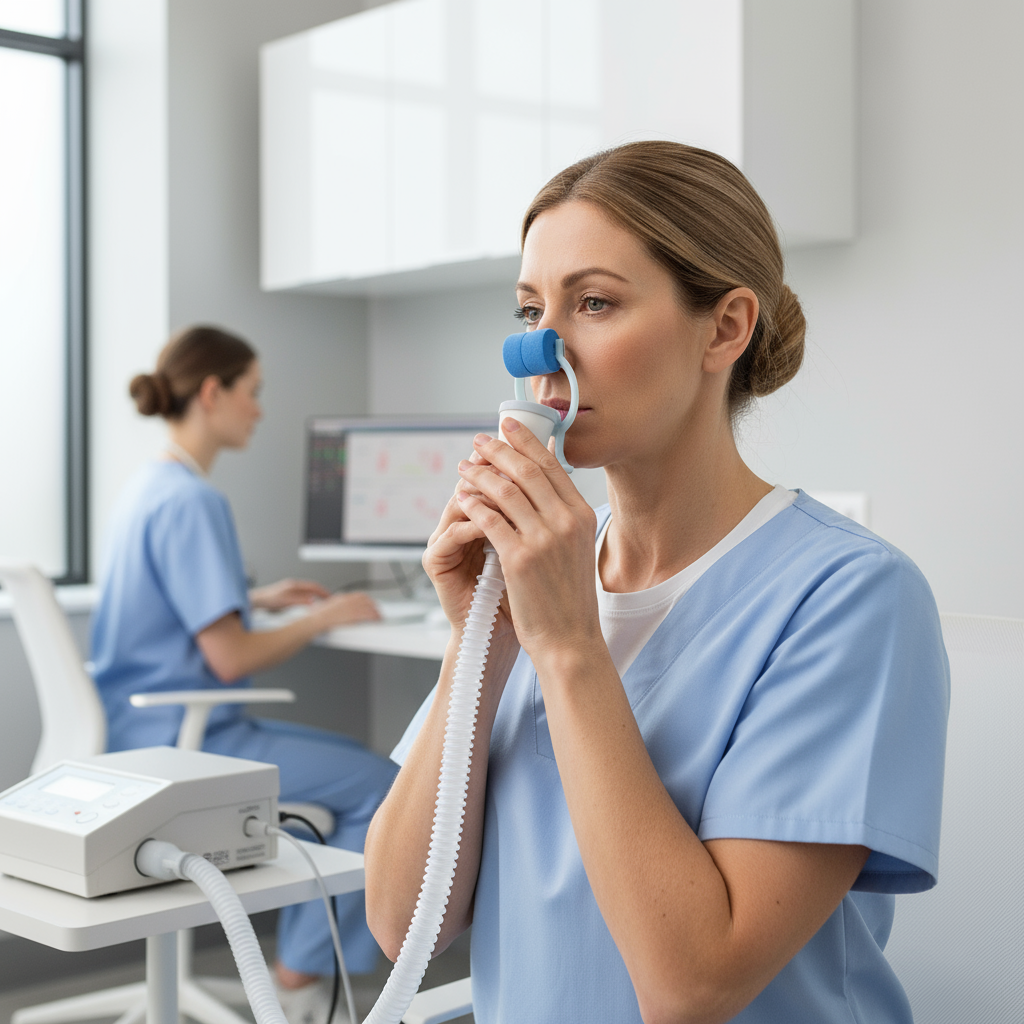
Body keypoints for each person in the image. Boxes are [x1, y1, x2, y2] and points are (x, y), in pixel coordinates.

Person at [364, 141, 950, 1023]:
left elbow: (693, 988)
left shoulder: (851, 597)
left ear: (725, 327)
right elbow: (400, 922)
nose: (540, 350)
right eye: (531, 308)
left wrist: (565, 645)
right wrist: (476, 648)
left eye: (594, 302)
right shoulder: (535, 582)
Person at [91, 325, 399, 1020]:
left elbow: (161, 605)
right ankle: (299, 981)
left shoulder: (150, 486)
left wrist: (253, 598)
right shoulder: (195, 502)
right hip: (187, 742)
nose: (260, 410)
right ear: (212, 392)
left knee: (366, 775)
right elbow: (229, 657)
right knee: (385, 786)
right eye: (252, 393)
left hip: (134, 732)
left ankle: (302, 968)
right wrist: (324, 617)